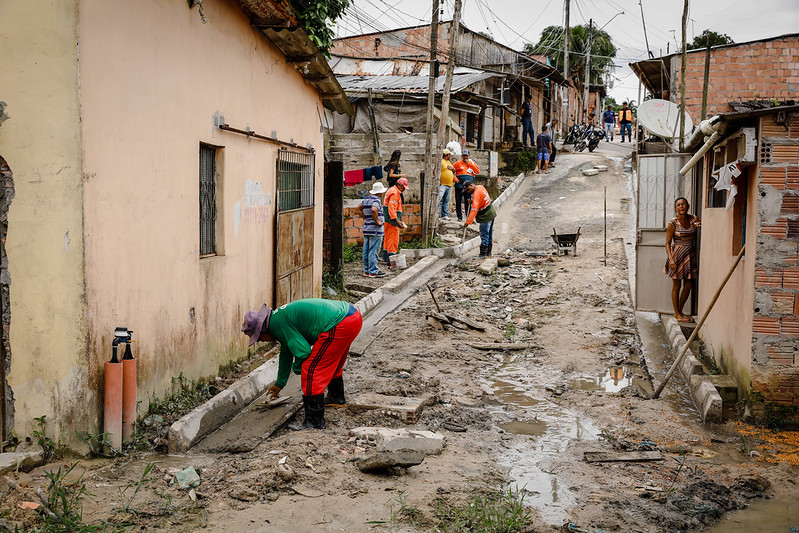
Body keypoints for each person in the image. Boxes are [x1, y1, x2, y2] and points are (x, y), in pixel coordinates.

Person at [241, 299, 363, 429]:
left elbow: (303, 352)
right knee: (330, 362)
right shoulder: (277, 318)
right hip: (351, 316)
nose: (262, 341)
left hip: (339, 323)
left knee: (311, 369)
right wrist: (280, 384)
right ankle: (336, 398)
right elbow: (286, 353)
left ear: (261, 331)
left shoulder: (277, 325)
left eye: (259, 339)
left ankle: (314, 422)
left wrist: (298, 367)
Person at [664, 197, 701, 323]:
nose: (681, 206)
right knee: (677, 285)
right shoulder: (673, 223)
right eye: (678, 205)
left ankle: (678, 311)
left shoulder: (693, 219)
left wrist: (700, 225)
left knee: (689, 284)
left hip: (690, 255)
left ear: (688, 206)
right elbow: (667, 243)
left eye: (683, 204)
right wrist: (671, 259)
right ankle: (678, 314)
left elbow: (700, 225)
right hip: (677, 255)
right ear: (675, 208)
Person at [462, 179, 497, 258]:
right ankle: (488, 253)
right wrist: (473, 201)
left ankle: (483, 254)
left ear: (471, 185)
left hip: (486, 215)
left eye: (468, 189)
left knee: (484, 234)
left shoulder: (476, 194)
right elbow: (481, 199)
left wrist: (468, 221)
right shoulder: (480, 187)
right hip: (491, 212)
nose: (468, 192)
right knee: (489, 234)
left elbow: (474, 209)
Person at [362, 182, 386, 278]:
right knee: (373, 251)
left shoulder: (367, 199)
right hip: (375, 230)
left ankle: (366, 270)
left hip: (367, 228)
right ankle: (373, 271)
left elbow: (359, 208)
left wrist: (365, 217)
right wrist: (377, 221)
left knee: (366, 251)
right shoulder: (376, 200)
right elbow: (374, 209)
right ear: (379, 192)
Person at [382, 177, 409, 263]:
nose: (404, 189)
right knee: (393, 240)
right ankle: (392, 259)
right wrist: (397, 221)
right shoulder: (395, 193)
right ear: (399, 185)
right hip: (392, 221)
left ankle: (385, 257)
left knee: (387, 238)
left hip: (388, 220)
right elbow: (392, 208)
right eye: (403, 187)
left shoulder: (392, 190)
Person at [452, 149, 480, 222]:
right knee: (458, 201)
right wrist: (455, 179)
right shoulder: (458, 163)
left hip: (469, 187)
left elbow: (477, 171)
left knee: (468, 201)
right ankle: (459, 217)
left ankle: (469, 217)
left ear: (469, 156)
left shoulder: (472, 163)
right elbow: (451, 170)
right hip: (459, 185)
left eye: (466, 156)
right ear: (462, 156)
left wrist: (469, 164)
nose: (465, 157)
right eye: (464, 156)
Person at [436, 148, 457, 220]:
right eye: (449, 155)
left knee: (446, 200)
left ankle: (444, 215)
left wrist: (452, 169)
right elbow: (435, 171)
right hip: (443, 184)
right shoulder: (441, 161)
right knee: (439, 199)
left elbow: (454, 171)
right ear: (447, 155)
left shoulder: (448, 162)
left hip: (449, 184)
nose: (450, 156)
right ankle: (435, 214)